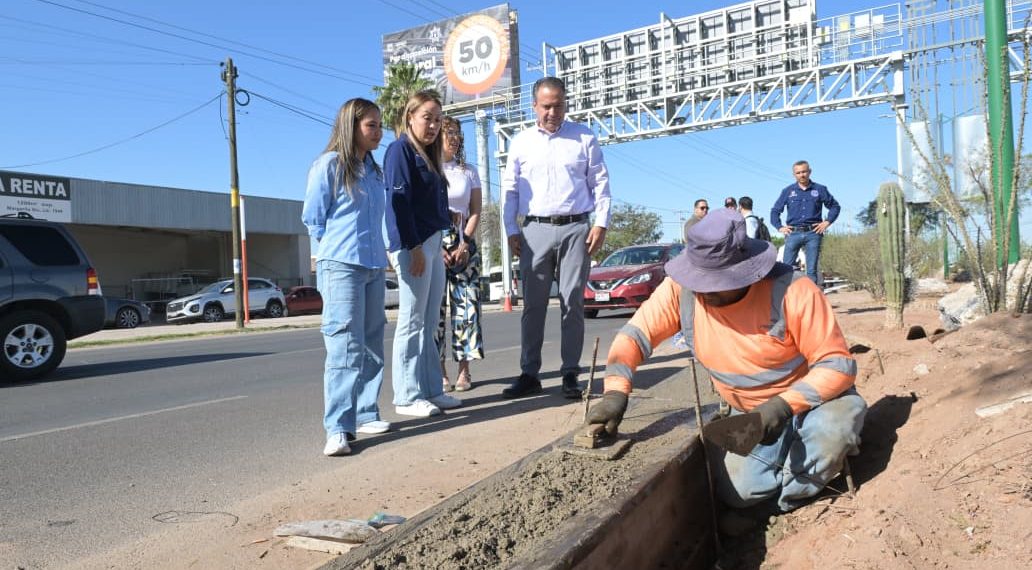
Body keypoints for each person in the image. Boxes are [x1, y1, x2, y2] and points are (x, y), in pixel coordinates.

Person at [587, 208, 865, 513]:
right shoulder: (681, 291)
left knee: (832, 434)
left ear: (747, 269)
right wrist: (615, 392)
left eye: (716, 283)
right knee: (739, 493)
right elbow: (633, 338)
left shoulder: (793, 291)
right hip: (750, 416)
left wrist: (782, 406)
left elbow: (837, 365)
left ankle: (781, 507)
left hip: (814, 404)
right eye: (700, 281)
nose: (706, 291)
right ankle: (776, 485)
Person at [500, 76, 611, 399]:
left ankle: (570, 374)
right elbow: (509, 190)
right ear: (534, 106)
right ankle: (529, 373)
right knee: (532, 306)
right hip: (534, 230)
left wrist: (600, 225)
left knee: (572, 303)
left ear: (566, 104)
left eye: (558, 105)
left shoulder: (584, 137)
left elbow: (601, 184)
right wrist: (510, 229)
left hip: (577, 228)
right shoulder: (520, 142)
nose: (552, 112)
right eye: (546, 106)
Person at [302, 98, 391, 457]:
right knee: (344, 345)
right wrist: (327, 253)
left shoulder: (375, 170)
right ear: (351, 126)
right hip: (340, 265)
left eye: (380, 125)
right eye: (371, 125)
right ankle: (338, 427)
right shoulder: (330, 166)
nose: (378, 132)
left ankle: (366, 412)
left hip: (372, 265)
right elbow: (313, 218)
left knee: (372, 341)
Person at [384, 90, 463, 417]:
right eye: (426, 118)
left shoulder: (430, 155)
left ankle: (431, 388)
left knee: (431, 320)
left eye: (437, 119)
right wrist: (413, 247)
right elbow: (398, 204)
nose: (432, 125)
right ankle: (406, 396)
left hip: (432, 240)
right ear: (410, 117)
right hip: (411, 244)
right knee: (412, 320)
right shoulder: (399, 150)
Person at [435, 116, 484, 393]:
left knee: (467, 306)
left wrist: (465, 241)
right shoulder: (429, 169)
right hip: (435, 241)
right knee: (436, 310)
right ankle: (440, 371)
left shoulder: (468, 170)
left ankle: (464, 370)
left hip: (465, 241)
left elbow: (476, 209)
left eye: (457, 133)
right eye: (448, 133)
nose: (453, 137)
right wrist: (439, 246)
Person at [770, 160, 840, 284]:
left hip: (813, 233)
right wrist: (780, 227)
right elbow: (775, 211)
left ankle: (810, 300)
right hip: (793, 233)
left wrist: (827, 222)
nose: (801, 175)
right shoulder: (787, 191)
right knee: (786, 269)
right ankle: (788, 299)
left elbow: (835, 206)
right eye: (798, 173)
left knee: (812, 270)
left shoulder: (820, 189)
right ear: (794, 174)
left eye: (804, 172)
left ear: (809, 172)